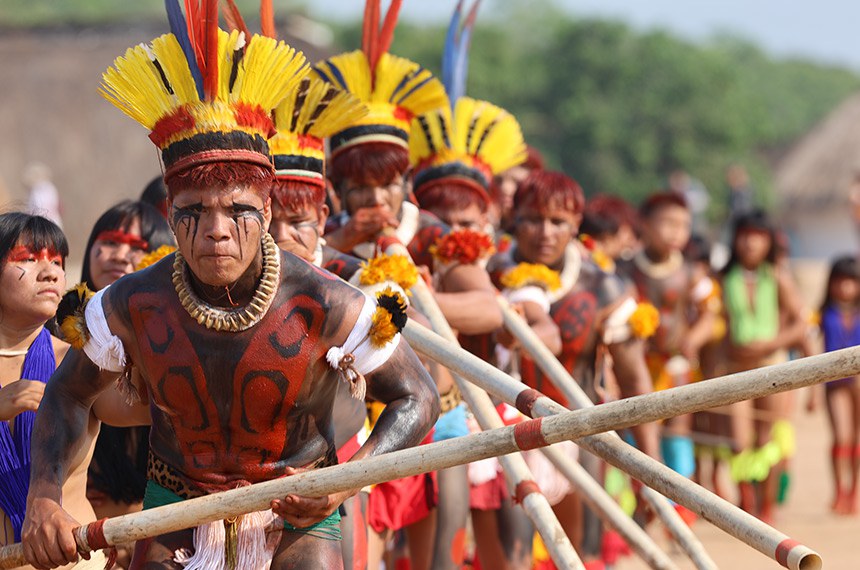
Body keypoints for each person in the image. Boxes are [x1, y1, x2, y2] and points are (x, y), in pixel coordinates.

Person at [22, 9, 438, 569]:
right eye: (196, 211)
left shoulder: (324, 302)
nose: (217, 230)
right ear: (170, 215)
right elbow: (68, 392)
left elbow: (419, 397)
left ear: (265, 209)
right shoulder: (133, 304)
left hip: (299, 510)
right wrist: (43, 499)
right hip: (177, 510)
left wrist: (344, 482)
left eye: (238, 209)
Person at [488, 170, 660, 567]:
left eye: (558, 222)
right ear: (514, 219)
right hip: (502, 434)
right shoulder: (488, 275)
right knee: (512, 559)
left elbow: (636, 380)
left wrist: (650, 473)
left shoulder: (603, 286)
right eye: (533, 219)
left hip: (581, 428)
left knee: (582, 556)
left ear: (576, 225)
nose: (544, 233)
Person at [0, 212, 146, 570]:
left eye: (57, 261)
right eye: (29, 259)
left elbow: (150, 406)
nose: (50, 271)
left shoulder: (84, 364)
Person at [75, 200, 174, 568]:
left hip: (161, 540)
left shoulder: (180, 350)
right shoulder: (53, 341)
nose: (121, 256)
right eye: (112, 241)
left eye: (139, 248)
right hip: (77, 544)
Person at [617, 193, 717, 498]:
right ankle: (638, 500)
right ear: (644, 225)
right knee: (634, 431)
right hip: (636, 366)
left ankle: (679, 505)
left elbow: (710, 313)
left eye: (683, 225)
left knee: (677, 431)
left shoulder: (690, 272)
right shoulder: (625, 271)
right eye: (668, 223)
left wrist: (694, 338)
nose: (677, 232)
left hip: (675, 365)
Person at [721, 210, 806, 523]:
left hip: (773, 366)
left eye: (758, 236)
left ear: (768, 241)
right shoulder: (725, 278)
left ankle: (767, 506)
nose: (750, 243)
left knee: (766, 438)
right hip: (735, 368)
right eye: (744, 235)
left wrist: (772, 343)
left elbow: (802, 322)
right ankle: (746, 504)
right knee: (739, 440)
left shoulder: (778, 277)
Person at [816, 256, 860, 515]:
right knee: (841, 437)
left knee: (857, 438)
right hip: (833, 383)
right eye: (840, 281)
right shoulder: (822, 314)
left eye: (851, 281)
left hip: (858, 382)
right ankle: (838, 490)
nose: (845, 287)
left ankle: (854, 490)